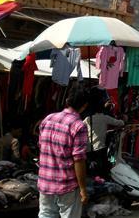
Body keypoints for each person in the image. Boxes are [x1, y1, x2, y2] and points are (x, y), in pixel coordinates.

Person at [37, 85, 91, 218]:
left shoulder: (47, 119)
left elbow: (42, 147)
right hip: (66, 184)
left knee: (46, 214)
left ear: (67, 100)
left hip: (45, 181)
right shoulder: (78, 126)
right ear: (84, 106)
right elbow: (78, 160)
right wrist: (83, 189)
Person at [83, 101, 124, 177]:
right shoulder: (105, 118)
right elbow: (119, 123)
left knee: (91, 168)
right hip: (100, 148)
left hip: (89, 148)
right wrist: (123, 119)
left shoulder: (88, 119)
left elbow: (80, 127)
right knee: (102, 169)